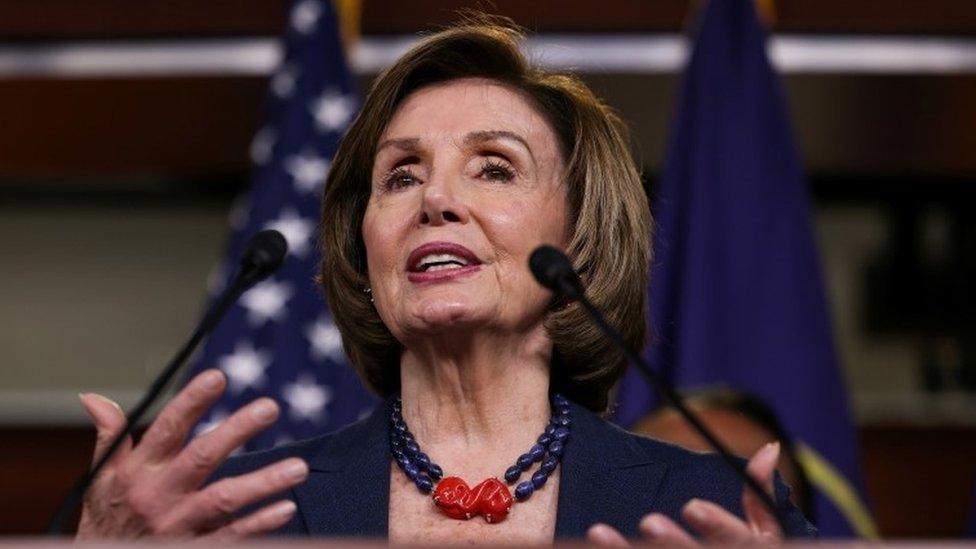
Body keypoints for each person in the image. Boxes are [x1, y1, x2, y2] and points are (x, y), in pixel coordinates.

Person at [74, 18, 815, 545]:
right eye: (400, 175)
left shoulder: (714, 508)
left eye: (494, 166)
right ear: (365, 256)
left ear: (578, 240)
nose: (435, 199)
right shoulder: (233, 515)